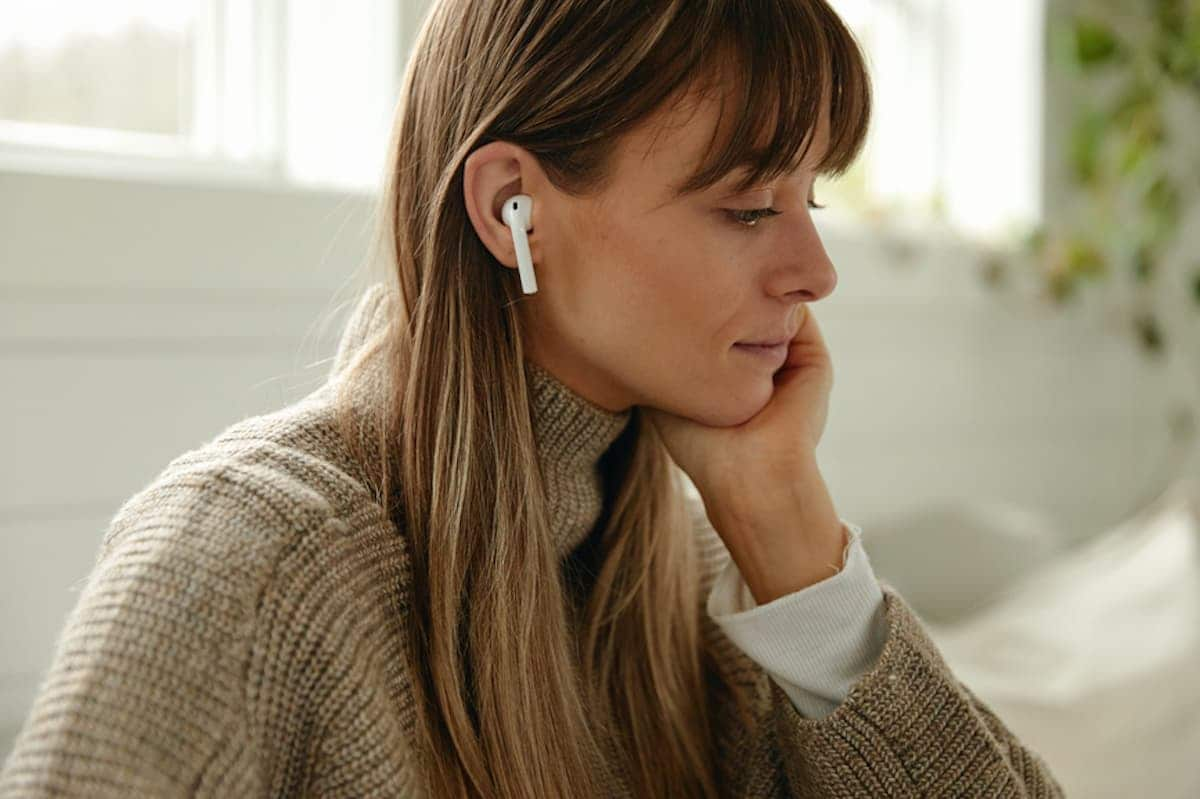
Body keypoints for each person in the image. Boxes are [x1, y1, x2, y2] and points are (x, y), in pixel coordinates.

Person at [0, 1, 1066, 797]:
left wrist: (791, 529)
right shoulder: (248, 562)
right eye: (747, 206)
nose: (815, 270)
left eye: (811, 196)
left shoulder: (699, 582)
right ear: (514, 209)